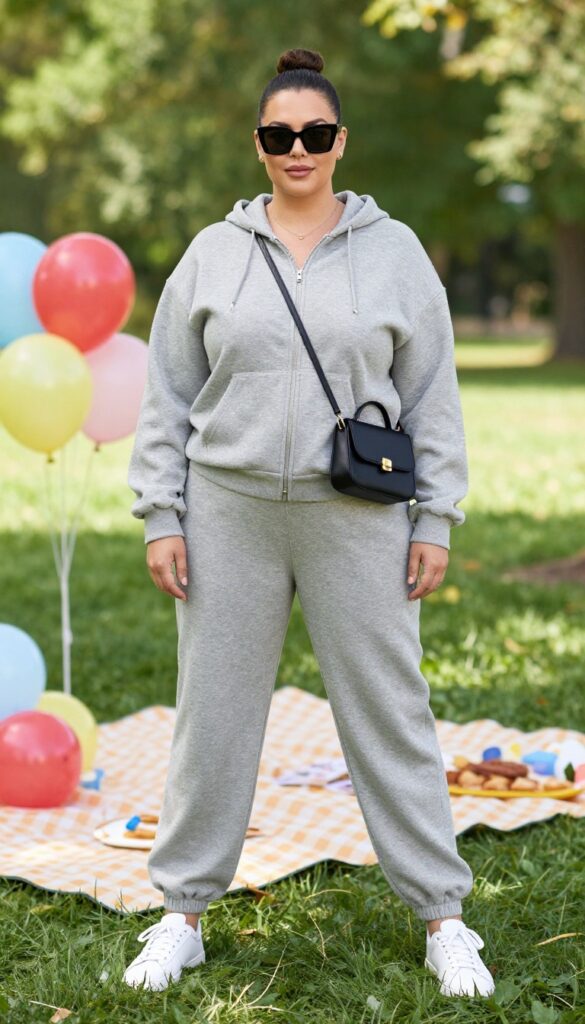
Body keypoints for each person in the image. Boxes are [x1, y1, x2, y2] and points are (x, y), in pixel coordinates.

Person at [123, 47, 495, 999]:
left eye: (315, 133)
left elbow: (432, 394)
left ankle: (443, 918)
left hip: (357, 515)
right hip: (228, 511)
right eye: (281, 134)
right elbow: (167, 393)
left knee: (391, 710)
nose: (299, 148)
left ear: (340, 142)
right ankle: (182, 915)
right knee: (212, 716)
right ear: (258, 143)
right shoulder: (212, 253)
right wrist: (162, 512)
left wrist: (435, 518)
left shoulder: (393, 251)